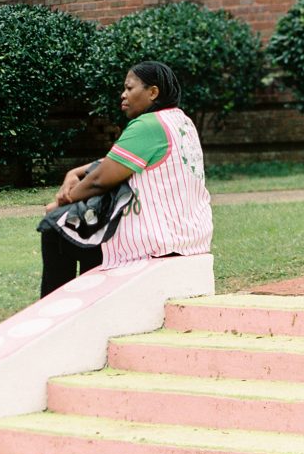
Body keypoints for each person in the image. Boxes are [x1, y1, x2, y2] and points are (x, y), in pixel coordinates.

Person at [39, 60, 212, 297]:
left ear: (153, 92)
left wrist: (61, 202)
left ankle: (56, 304)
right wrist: (75, 172)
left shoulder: (147, 125)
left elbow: (101, 179)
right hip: (191, 236)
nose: (123, 95)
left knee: (55, 226)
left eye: (129, 88)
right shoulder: (179, 121)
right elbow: (115, 161)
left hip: (155, 242)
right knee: (81, 230)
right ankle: (90, 298)